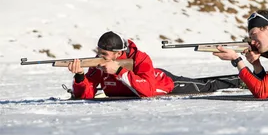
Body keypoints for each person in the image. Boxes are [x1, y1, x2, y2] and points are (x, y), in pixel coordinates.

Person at [68, 31, 240, 99]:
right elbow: (86, 96)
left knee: (205, 86)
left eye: (104, 54)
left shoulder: (141, 58)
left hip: (163, 83)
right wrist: (79, 77)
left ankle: (240, 80)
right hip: (143, 82)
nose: (100, 57)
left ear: (118, 54)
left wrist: (119, 70)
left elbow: (148, 91)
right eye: (99, 52)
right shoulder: (100, 62)